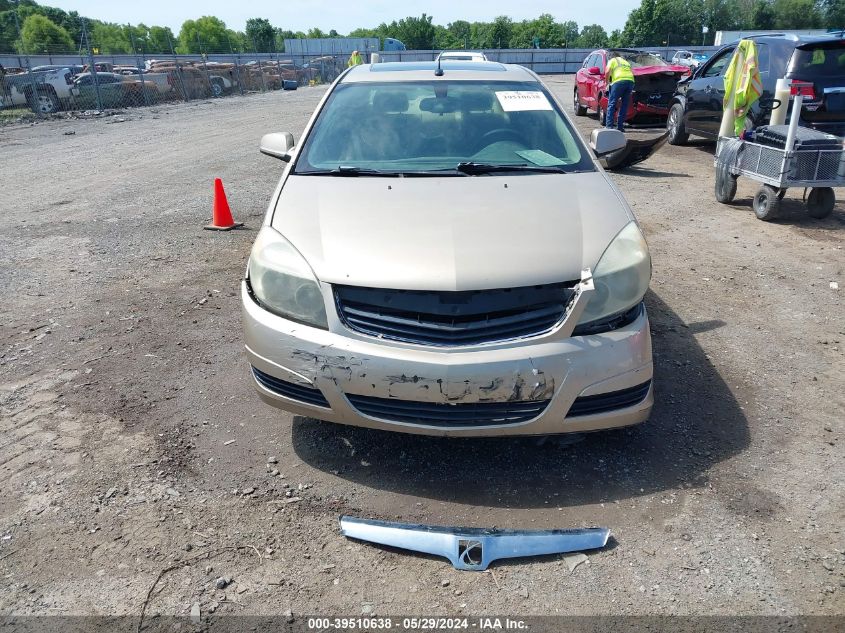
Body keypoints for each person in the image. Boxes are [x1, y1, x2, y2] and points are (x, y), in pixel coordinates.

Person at [604, 51, 635, 131]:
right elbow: (631, 73)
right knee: (624, 105)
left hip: (618, 81)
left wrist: (606, 83)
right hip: (630, 82)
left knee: (612, 104)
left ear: (612, 57)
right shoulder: (626, 62)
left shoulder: (612, 60)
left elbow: (607, 72)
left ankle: (609, 126)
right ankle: (620, 127)